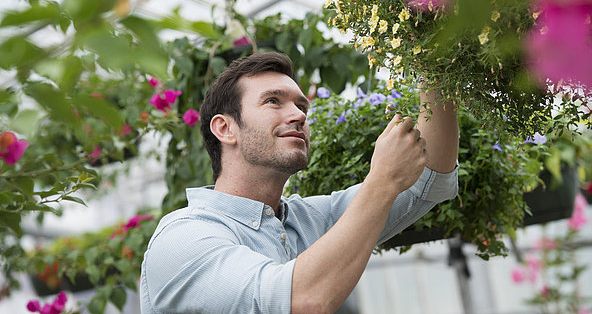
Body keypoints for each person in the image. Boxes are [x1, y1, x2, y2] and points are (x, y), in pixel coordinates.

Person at [140, 52, 459, 314]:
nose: (299, 115)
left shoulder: (311, 219)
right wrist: (382, 181)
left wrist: (432, 58)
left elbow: (428, 179)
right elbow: (300, 302)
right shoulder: (184, 238)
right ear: (225, 129)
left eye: (301, 106)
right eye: (273, 101)